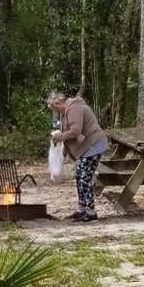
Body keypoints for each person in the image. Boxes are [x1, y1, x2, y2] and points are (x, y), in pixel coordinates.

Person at [48, 91, 109, 222]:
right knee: (79, 176)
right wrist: (64, 150)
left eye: (55, 109)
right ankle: (81, 209)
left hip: (94, 145)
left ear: (58, 103)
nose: (57, 112)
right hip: (87, 147)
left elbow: (76, 130)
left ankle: (91, 212)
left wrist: (61, 137)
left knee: (84, 177)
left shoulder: (74, 108)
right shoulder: (67, 111)